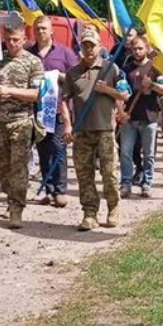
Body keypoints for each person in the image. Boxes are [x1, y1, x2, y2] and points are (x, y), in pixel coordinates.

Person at [60, 28, 130, 231]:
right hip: (82, 131)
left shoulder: (110, 69)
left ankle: (113, 208)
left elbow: (124, 95)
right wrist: (67, 125)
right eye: (85, 45)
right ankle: (89, 213)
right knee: (84, 174)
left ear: (100, 46)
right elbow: (64, 100)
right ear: (81, 47)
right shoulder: (73, 73)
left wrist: (106, 89)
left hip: (105, 130)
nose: (89, 49)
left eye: (93, 45)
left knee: (109, 173)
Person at [0, 25, 44, 229]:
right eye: (9, 40)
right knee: (1, 166)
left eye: (16, 40)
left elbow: (36, 94)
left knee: (19, 167)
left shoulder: (33, 62)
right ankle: (10, 195)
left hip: (22, 121)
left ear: (24, 40)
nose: (12, 44)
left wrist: (10, 91)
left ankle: (16, 208)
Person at [27, 15, 78, 208]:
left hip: (57, 110)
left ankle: (60, 190)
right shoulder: (28, 53)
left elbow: (76, 79)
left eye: (44, 28)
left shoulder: (65, 53)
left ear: (51, 31)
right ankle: (47, 189)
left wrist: (60, 77)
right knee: (42, 150)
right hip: (36, 111)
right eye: (37, 28)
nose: (40, 31)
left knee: (58, 150)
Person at [117, 35, 163, 199]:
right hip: (130, 117)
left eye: (140, 48)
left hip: (149, 116)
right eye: (134, 49)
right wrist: (120, 112)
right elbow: (120, 92)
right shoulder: (126, 69)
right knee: (125, 152)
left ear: (147, 49)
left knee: (148, 154)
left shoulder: (155, 68)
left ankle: (147, 183)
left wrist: (152, 85)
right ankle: (126, 184)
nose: (137, 51)